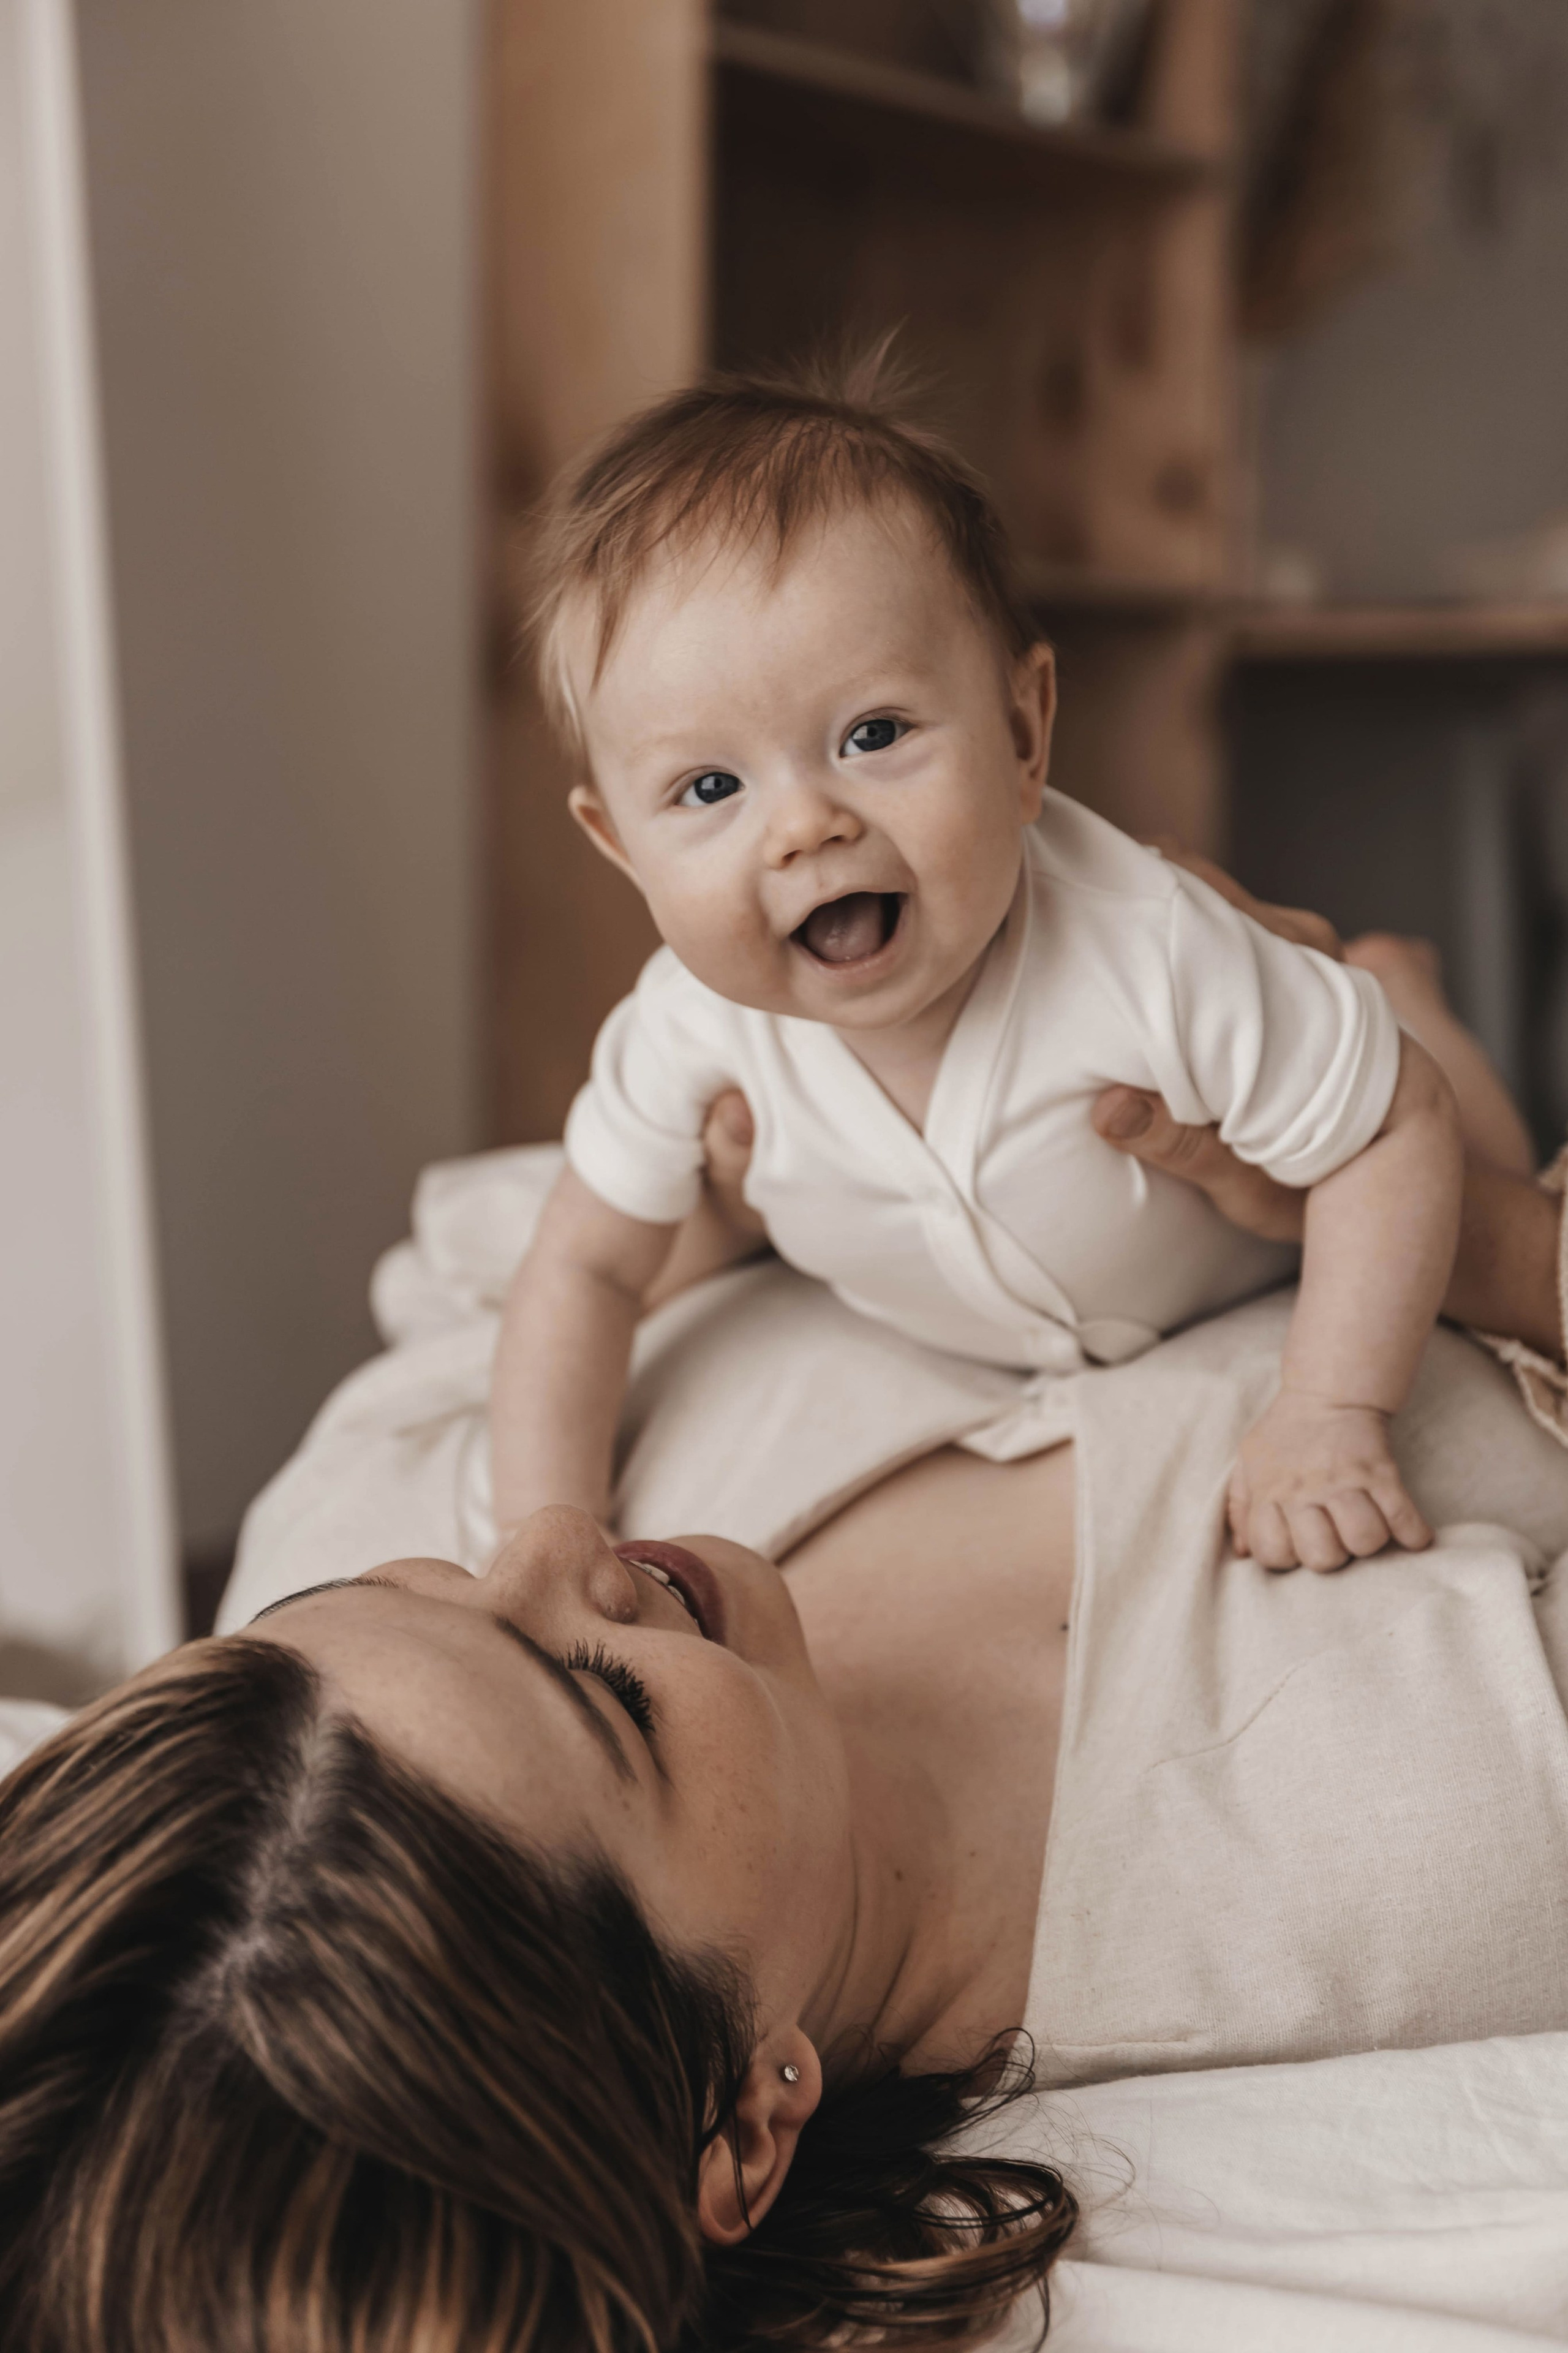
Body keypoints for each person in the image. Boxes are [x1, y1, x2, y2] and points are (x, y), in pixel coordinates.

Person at [7, 908, 1568, 2352]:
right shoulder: (1411, 1839)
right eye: (606, 1705)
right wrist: (1409, 1205)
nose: (555, 1536)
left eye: (405, 1589)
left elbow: (504, 1278)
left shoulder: (323, 1631)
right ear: (747, 2118)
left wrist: (773, 1193)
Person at [488, 353, 1542, 1577]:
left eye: (872, 734)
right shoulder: (685, 1029)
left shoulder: (1144, 949)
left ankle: (1387, 986)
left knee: (1471, 1156)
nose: (803, 825)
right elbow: (583, 1263)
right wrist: (542, 1531)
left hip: (1252, 1232)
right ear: (620, 845)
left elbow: (1387, 1128)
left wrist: (1330, 1410)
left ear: (1021, 732)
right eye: (709, 788)